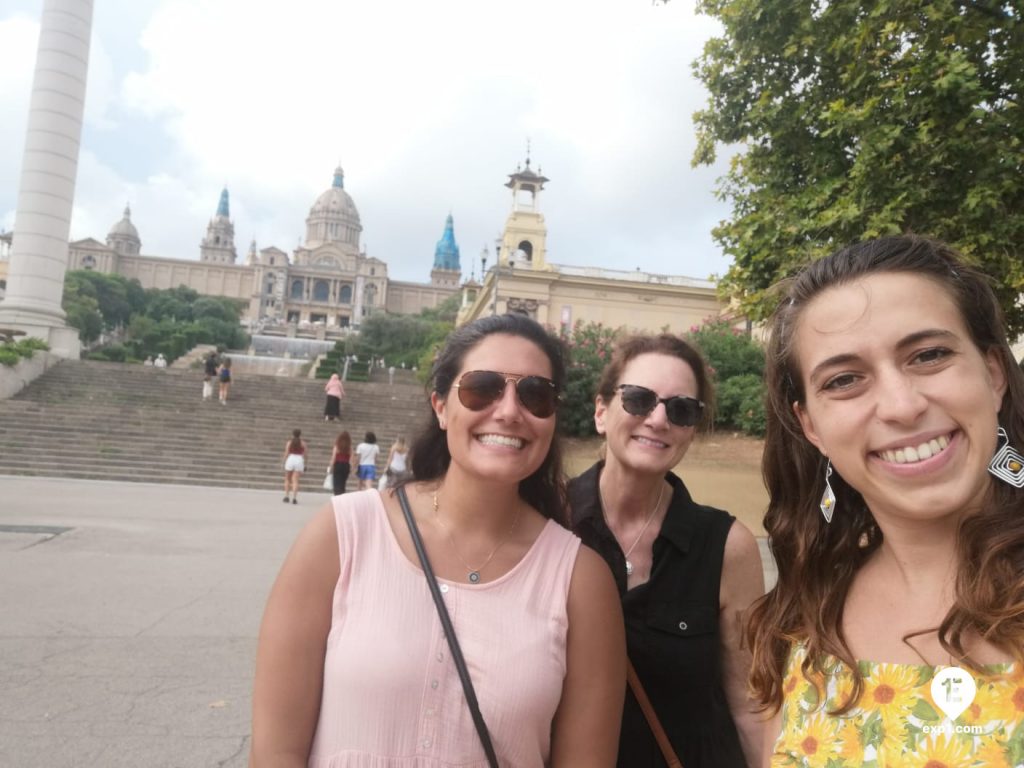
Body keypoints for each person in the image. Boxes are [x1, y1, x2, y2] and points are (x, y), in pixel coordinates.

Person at [250, 313, 626, 767]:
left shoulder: (580, 581)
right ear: (442, 406)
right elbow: (275, 754)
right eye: (482, 388)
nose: (509, 411)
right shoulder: (342, 536)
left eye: (535, 395)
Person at [750, 235, 1024, 765]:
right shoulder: (803, 619)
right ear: (811, 426)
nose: (900, 406)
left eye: (929, 355)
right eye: (845, 379)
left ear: (993, 376)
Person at [568, 333, 765, 767]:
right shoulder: (546, 526)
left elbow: (752, 704)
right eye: (639, 399)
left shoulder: (728, 546)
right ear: (601, 411)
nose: (658, 420)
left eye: (681, 409)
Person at [282, 429, 308, 505]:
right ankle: (294, 498)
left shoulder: (289, 442)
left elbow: (286, 452)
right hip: (299, 459)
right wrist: (305, 463)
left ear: (293, 434)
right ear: (300, 434)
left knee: (287, 479)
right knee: (295, 480)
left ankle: (286, 496)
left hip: (291, 459)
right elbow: (305, 454)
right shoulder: (303, 443)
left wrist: (283, 461)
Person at [329, 430, 352, 496]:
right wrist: (352, 467)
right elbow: (352, 458)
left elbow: (333, 458)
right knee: (343, 482)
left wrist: (330, 467)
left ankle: (337, 495)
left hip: (338, 464)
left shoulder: (337, 447)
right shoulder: (349, 448)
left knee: (336, 482)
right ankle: (342, 494)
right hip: (346, 465)